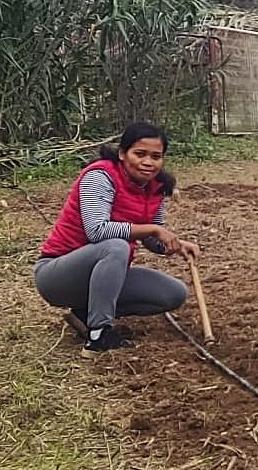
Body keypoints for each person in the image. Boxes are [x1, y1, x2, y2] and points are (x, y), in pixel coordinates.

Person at [34, 122, 200, 354]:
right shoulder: (100, 177)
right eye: (140, 154)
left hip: (102, 274)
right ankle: (98, 335)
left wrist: (174, 245)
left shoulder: (156, 187)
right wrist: (153, 229)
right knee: (115, 247)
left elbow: (153, 239)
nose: (148, 162)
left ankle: (85, 314)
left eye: (156, 156)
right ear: (122, 154)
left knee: (173, 294)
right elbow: (98, 231)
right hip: (57, 275)